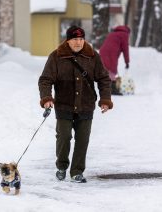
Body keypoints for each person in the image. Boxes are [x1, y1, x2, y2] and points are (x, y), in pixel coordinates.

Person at [38, 25, 113, 183]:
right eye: (75, 39)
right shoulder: (56, 56)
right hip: (64, 105)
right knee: (64, 137)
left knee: (82, 139)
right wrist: (47, 98)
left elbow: (104, 79)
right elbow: (45, 80)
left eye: (81, 39)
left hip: (86, 105)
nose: (78, 42)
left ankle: (77, 171)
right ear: (68, 40)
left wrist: (105, 99)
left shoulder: (92, 56)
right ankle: (61, 166)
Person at [99, 25, 130, 95]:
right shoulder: (124, 34)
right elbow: (125, 49)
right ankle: (113, 89)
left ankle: (107, 88)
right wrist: (127, 62)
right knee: (112, 69)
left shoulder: (113, 33)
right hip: (111, 52)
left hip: (103, 51)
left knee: (107, 69)